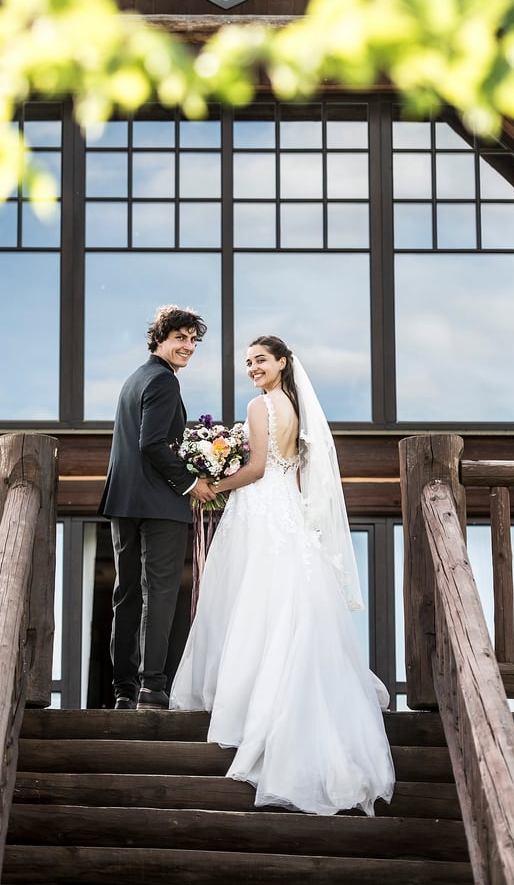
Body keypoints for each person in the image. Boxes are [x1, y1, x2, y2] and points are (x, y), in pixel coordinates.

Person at [170, 335, 395, 815]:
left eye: (261, 360)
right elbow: (290, 473)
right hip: (287, 511)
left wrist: (211, 487)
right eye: (248, 362)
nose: (253, 367)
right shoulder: (299, 407)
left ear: (282, 362)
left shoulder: (260, 406)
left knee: (251, 602)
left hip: (258, 508)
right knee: (280, 600)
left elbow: (254, 468)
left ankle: (251, 704)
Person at [98, 305, 213, 711]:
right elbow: (151, 444)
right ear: (159, 339)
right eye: (180, 338)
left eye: (193, 340)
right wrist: (191, 482)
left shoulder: (135, 379)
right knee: (159, 595)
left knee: (126, 595)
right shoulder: (164, 382)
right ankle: (152, 687)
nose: (188, 346)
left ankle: (124, 690)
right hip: (160, 503)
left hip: (123, 501)